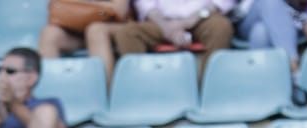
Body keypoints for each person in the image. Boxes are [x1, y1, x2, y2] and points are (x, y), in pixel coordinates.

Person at [87, 0, 234, 83]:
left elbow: (222, 2)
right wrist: (166, 27)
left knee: (221, 27)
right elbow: (146, 5)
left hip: (202, 18)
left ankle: (209, 86)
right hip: (162, 21)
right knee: (128, 33)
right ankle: (141, 88)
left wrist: (190, 21)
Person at [232, 0, 307, 104]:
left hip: (291, 16)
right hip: (246, 17)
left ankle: (263, 96)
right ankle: (294, 69)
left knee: (260, 32)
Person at [38, 0, 130, 88]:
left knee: (95, 31)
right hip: (78, 28)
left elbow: (120, 11)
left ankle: (104, 93)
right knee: (49, 34)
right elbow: (57, 5)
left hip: (113, 27)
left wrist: (89, 7)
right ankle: (50, 90)